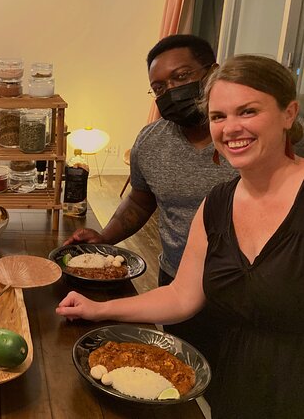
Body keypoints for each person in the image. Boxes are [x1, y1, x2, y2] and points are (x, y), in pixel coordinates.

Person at [57, 55, 304, 418]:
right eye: (219, 116)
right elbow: (182, 295)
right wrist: (99, 310)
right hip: (234, 383)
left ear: (288, 113)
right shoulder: (218, 204)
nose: (230, 128)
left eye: (248, 111)